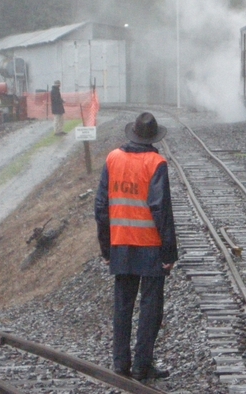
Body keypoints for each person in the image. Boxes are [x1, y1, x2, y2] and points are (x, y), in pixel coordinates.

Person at [95, 112, 178, 382]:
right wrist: (169, 253)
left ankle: (120, 365)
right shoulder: (156, 163)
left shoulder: (113, 159)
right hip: (150, 246)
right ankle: (142, 366)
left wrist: (106, 248)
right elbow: (161, 210)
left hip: (120, 243)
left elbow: (101, 207)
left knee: (122, 306)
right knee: (150, 308)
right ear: (153, 137)